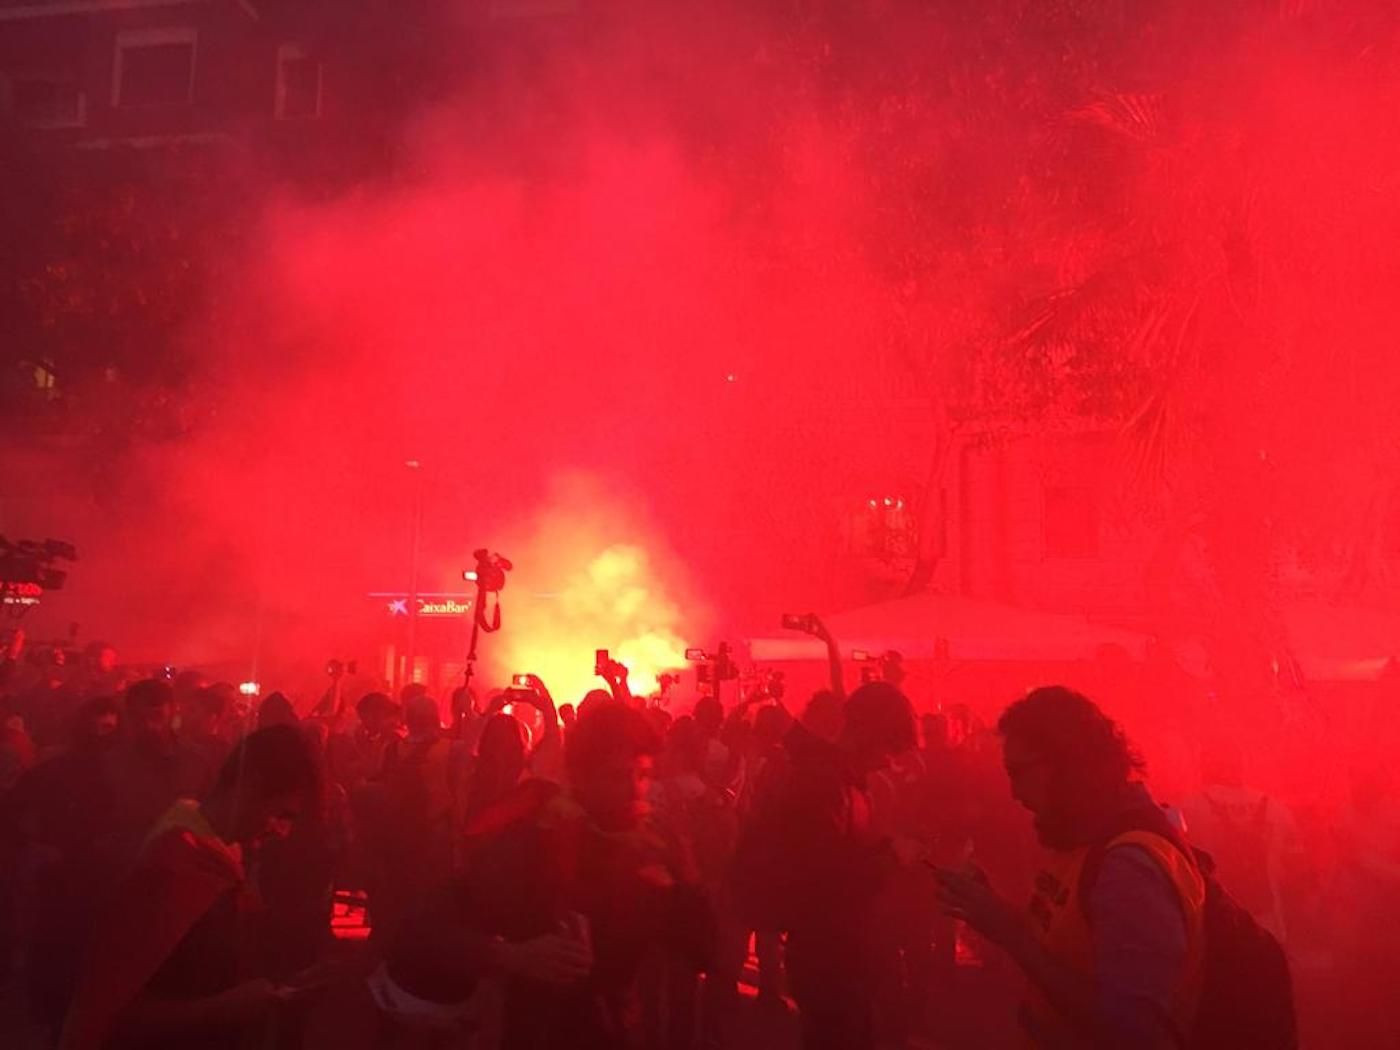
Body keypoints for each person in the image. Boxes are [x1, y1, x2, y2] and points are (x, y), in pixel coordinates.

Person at [382, 700, 710, 1049]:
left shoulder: (650, 851)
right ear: (581, 775)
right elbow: (423, 930)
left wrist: (687, 873)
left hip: (615, 1034)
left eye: (642, 775)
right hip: (536, 1031)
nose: (633, 790)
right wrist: (513, 956)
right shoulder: (535, 839)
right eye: (617, 776)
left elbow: (703, 953)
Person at [933, 686, 1206, 1050]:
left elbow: (1131, 1029)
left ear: (1066, 764)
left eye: (1019, 773)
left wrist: (1009, 933)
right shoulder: (1084, 840)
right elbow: (1068, 947)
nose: (1012, 792)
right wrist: (995, 909)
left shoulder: (1128, 867)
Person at [60, 724, 321, 1050]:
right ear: (250, 785)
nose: (282, 832)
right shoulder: (172, 868)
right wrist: (220, 1010)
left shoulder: (222, 856)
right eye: (282, 814)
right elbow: (112, 1011)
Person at [730, 681, 919, 1050]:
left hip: (839, 955)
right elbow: (823, 878)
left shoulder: (836, 779)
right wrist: (892, 856)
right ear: (869, 734)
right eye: (889, 748)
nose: (888, 762)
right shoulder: (823, 785)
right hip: (831, 959)